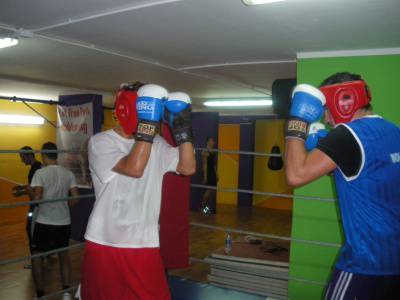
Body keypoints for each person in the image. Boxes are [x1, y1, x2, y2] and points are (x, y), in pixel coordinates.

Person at [284, 72, 400, 299]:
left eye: (326, 110)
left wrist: (297, 122)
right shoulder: (394, 131)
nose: (326, 119)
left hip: (365, 264)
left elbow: (295, 176)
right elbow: (364, 177)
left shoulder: (348, 135)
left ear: (344, 101)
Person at [81, 83, 196, 299]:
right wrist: (148, 123)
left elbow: (187, 167)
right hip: (104, 241)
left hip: (144, 242)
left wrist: (183, 130)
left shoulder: (158, 144)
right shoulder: (100, 142)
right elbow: (134, 168)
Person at [30, 142, 79, 300]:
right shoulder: (68, 173)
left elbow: (37, 199)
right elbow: (76, 198)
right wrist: (63, 205)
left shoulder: (40, 173)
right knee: (64, 255)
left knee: (37, 256)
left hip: (43, 222)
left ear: (44, 156)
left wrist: (29, 191)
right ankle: (66, 292)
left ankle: (40, 295)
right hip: (63, 222)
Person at [12, 146, 42, 263]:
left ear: (29, 156)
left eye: (22, 157)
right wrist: (23, 187)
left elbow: (35, 188)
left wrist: (22, 191)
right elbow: (33, 185)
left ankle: (35, 263)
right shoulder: (36, 167)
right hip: (36, 205)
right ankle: (43, 257)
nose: (21, 160)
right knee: (34, 230)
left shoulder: (36, 168)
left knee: (31, 231)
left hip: (35, 206)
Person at [200, 137, 217, 214]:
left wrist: (216, 173)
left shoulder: (213, 151)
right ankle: (202, 207)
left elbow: (213, 164)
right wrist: (205, 176)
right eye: (211, 141)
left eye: (213, 141)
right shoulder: (205, 151)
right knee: (208, 191)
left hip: (212, 172)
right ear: (208, 142)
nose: (213, 142)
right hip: (208, 172)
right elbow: (204, 164)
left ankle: (206, 209)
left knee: (212, 191)